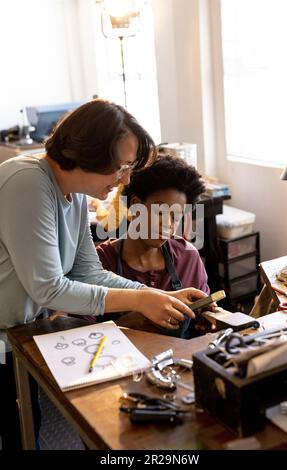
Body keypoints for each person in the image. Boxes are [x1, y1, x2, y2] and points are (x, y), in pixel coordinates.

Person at [0, 99, 205, 449]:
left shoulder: (76, 195)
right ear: (87, 152)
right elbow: (49, 288)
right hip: (8, 334)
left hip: (19, 333)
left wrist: (158, 297)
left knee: (23, 430)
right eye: (121, 167)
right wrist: (141, 297)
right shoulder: (27, 182)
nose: (125, 179)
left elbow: (87, 271)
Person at [96, 155, 210, 338]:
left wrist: (207, 317)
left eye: (175, 217)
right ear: (135, 206)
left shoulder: (188, 258)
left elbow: (202, 326)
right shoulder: (99, 263)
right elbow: (81, 333)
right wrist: (134, 317)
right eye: (160, 212)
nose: (168, 225)